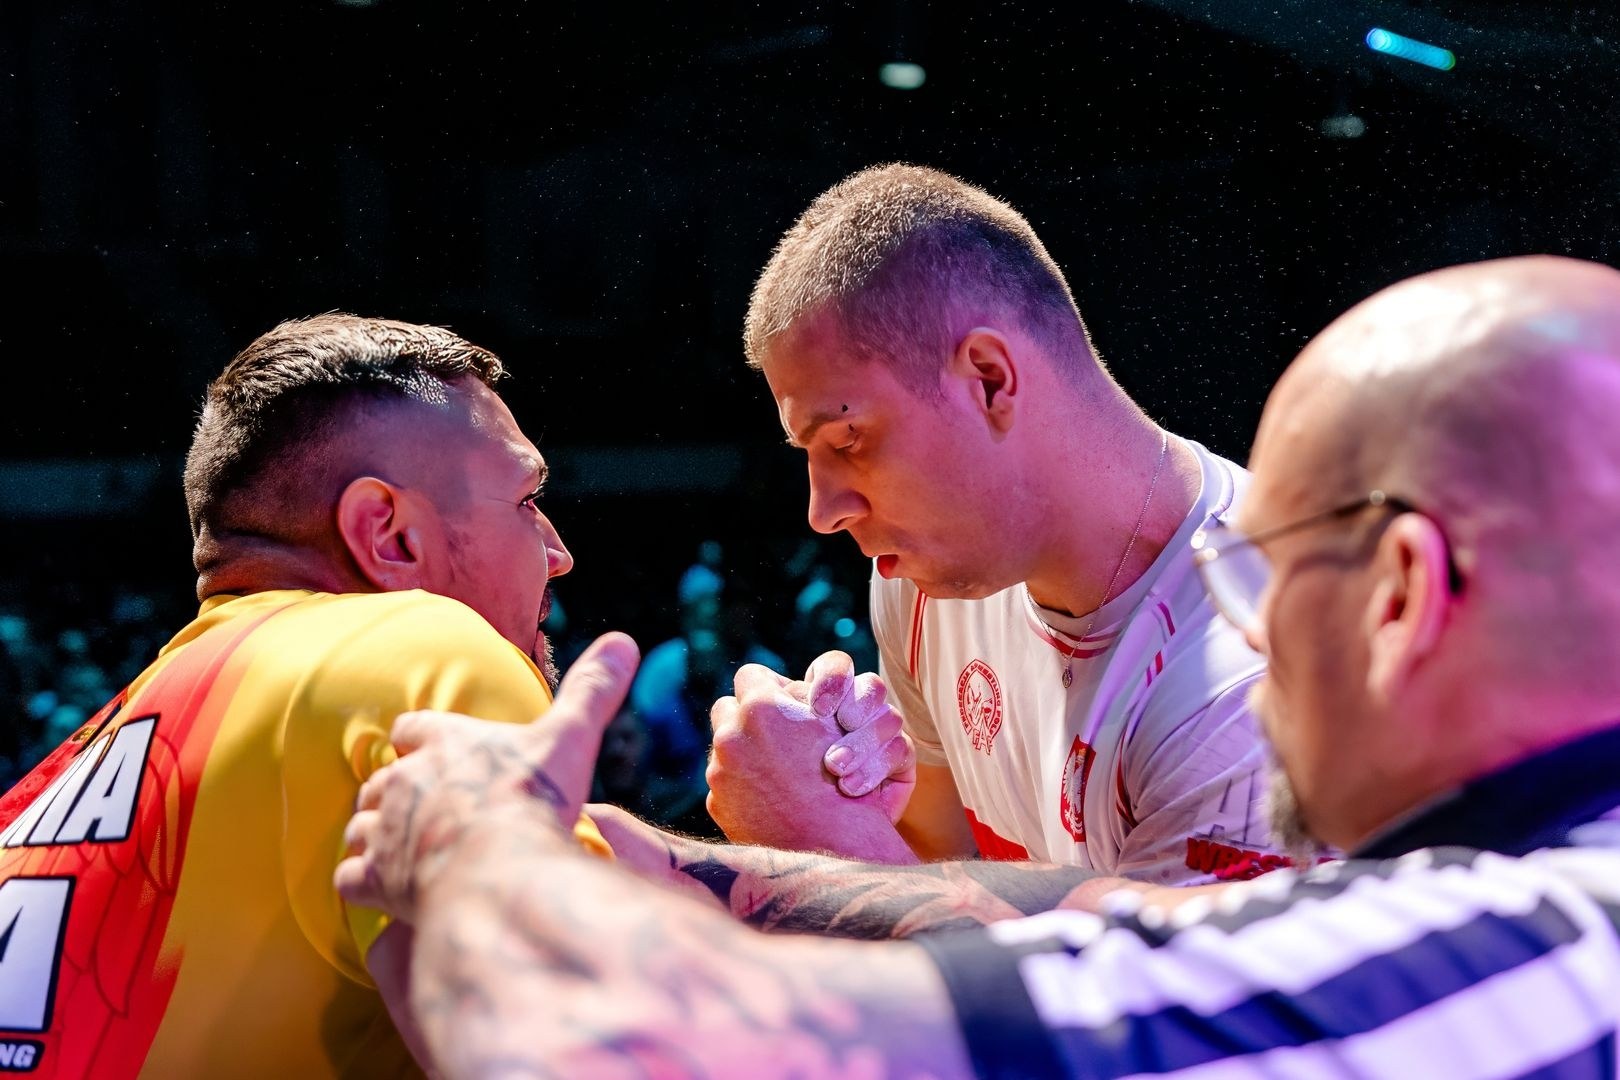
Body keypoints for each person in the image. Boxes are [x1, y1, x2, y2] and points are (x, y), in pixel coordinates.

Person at [338, 255, 1620, 1077]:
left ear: (1401, 590)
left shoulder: (1531, 944)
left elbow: (662, 1046)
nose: (1259, 617)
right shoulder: (930, 588)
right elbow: (1102, 916)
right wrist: (677, 852)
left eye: (1273, 575)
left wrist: (475, 845)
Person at [0, 315, 598, 1078]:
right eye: (524, 499)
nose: (558, 551)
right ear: (388, 536)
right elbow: (593, 1044)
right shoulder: (417, 647)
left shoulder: (50, 791)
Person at [707, 163, 1282, 883]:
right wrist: (843, 799)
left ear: (989, 378)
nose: (824, 513)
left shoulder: (1251, 674)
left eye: (848, 441)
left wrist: (824, 847)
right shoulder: (923, 583)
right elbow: (933, 875)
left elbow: (1132, 997)